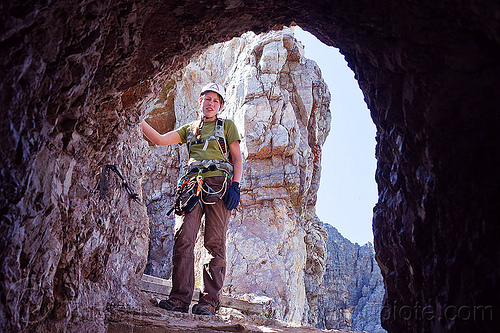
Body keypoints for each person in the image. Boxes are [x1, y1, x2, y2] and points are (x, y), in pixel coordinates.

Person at [141, 83, 242, 316]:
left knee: (214, 243)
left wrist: (235, 185)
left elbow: (237, 158)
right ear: (200, 102)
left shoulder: (227, 127)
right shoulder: (190, 129)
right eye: (207, 99)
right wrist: (135, 117)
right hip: (191, 187)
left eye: (215, 101)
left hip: (218, 186)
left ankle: (209, 302)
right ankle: (179, 298)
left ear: (221, 106)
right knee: (183, 237)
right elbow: (159, 139)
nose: (210, 104)